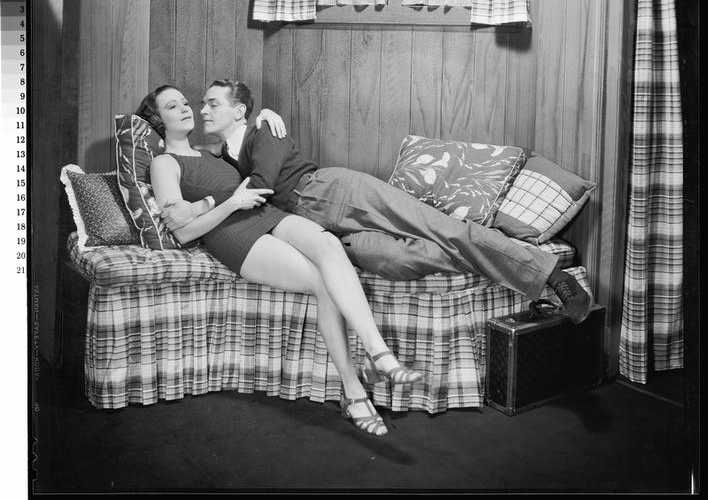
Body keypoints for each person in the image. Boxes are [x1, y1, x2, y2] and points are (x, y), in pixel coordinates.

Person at [136, 84, 425, 437]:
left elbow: (247, 146)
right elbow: (183, 232)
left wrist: (265, 116)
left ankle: (378, 354)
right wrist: (230, 204)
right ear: (157, 120)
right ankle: (354, 392)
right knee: (322, 283)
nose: (185, 108)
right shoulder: (164, 163)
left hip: (266, 214)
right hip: (232, 234)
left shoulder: (212, 152)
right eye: (172, 106)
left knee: (330, 247)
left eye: (185, 102)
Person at [192, 79, 593, 325]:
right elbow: (232, 181)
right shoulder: (225, 154)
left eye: (213, 103)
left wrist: (217, 202)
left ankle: (554, 275)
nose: (203, 110)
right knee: (391, 259)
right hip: (318, 226)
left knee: (442, 229)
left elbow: (260, 187)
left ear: (239, 111)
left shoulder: (265, 130)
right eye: (202, 104)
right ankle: (497, 255)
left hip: (330, 191)